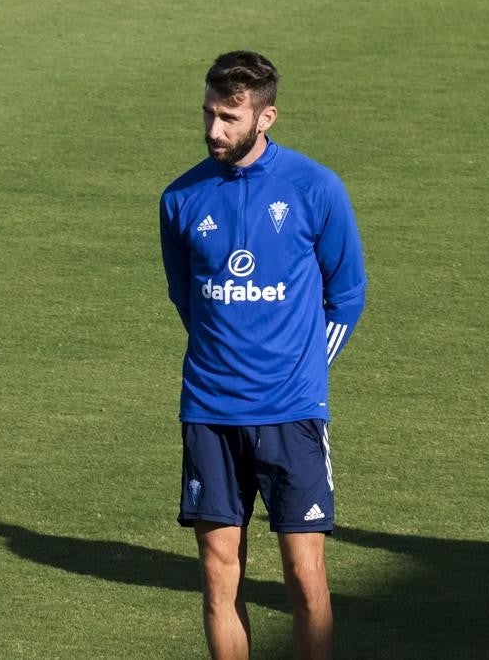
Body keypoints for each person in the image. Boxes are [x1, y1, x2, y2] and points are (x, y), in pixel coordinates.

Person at [158, 51, 367, 660]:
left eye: (229, 117)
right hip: (209, 413)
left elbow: (347, 293)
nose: (213, 130)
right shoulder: (180, 198)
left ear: (265, 116)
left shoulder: (314, 187)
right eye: (208, 114)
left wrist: (307, 366)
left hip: (292, 413)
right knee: (220, 577)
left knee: (305, 578)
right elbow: (186, 293)